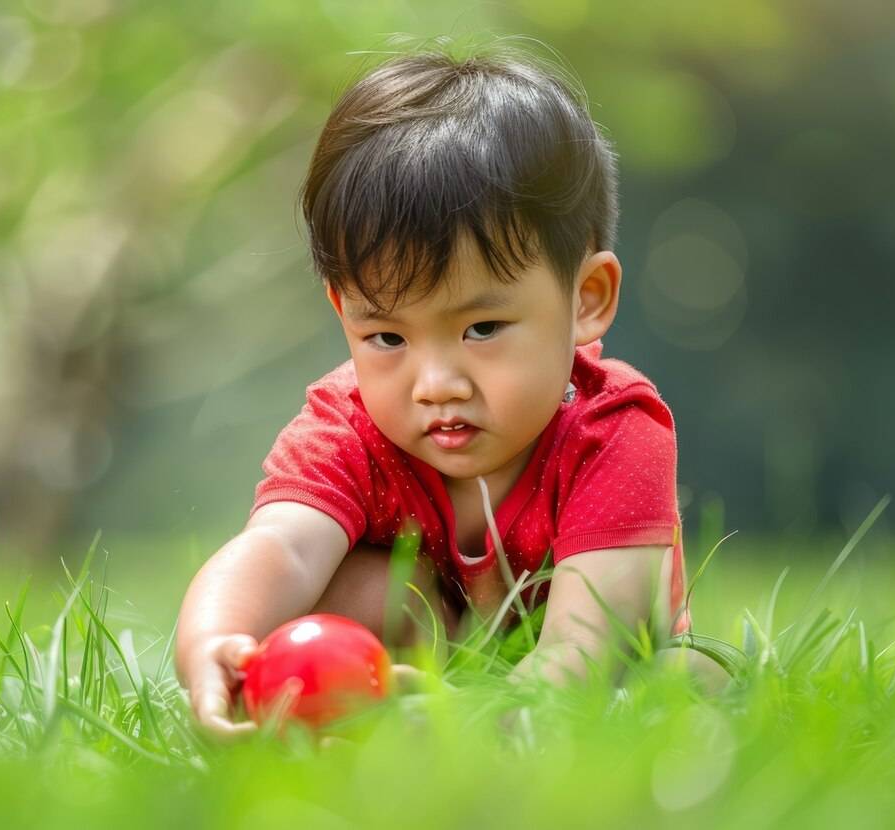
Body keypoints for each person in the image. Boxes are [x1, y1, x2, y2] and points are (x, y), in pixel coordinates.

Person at [175, 41, 724, 737]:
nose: (435, 385)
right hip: (426, 654)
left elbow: (586, 648)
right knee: (353, 590)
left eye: (483, 327)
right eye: (389, 339)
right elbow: (279, 548)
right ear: (344, 313)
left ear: (586, 299)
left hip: (587, 670)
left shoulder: (614, 429)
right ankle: (374, 718)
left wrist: (464, 720)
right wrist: (215, 641)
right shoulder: (348, 429)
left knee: (688, 678)